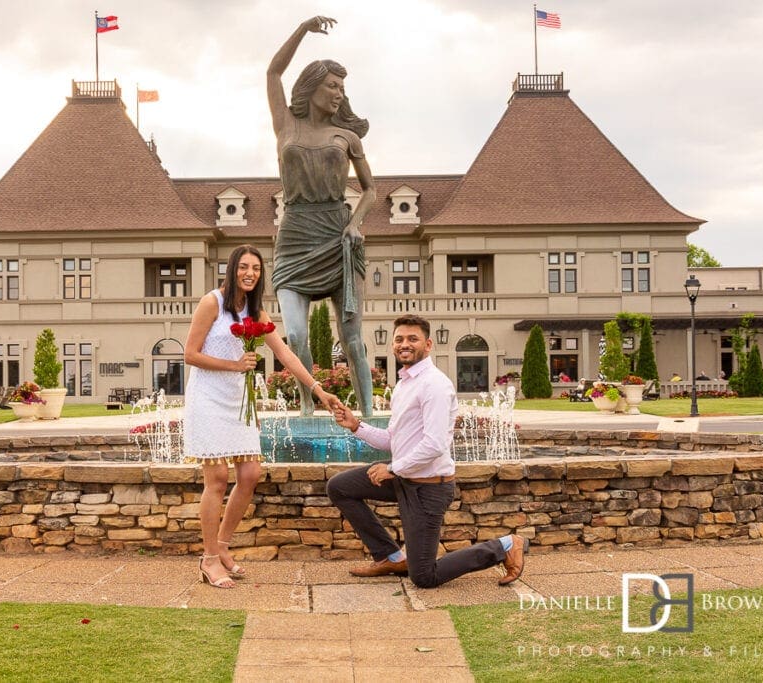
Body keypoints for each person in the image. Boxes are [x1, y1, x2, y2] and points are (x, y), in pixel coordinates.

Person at [327, 315, 529, 588]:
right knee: (340, 487)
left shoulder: (434, 385)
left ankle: (505, 545)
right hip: (405, 479)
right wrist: (356, 426)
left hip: (428, 489)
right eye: (399, 339)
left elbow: (434, 445)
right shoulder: (404, 384)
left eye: (413, 339)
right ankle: (391, 556)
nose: (404, 344)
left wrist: (391, 469)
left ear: (428, 344)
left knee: (424, 577)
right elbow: (393, 439)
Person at [184, 244, 341, 589]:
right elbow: (190, 354)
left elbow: (285, 353)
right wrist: (234, 365)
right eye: (244, 267)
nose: (250, 273)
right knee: (218, 480)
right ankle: (209, 559)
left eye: (255, 268)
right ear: (232, 269)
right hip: (208, 397)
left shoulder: (257, 312)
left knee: (251, 474)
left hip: (240, 400)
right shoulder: (212, 302)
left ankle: (222, 546)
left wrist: (318, 390)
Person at [268, 16, 376, 418]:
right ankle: (308, 405)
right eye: (332, 85)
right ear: (312, 87)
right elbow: (273, 70)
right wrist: (301, 28)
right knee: (295, 333)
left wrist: (354, 224)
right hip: (294, 234)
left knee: (351, 337)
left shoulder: (348, 137)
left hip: (337, 236)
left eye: (342, 89)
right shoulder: (285, 124)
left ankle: (367, 412)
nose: (338, 93)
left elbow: (371, 189)